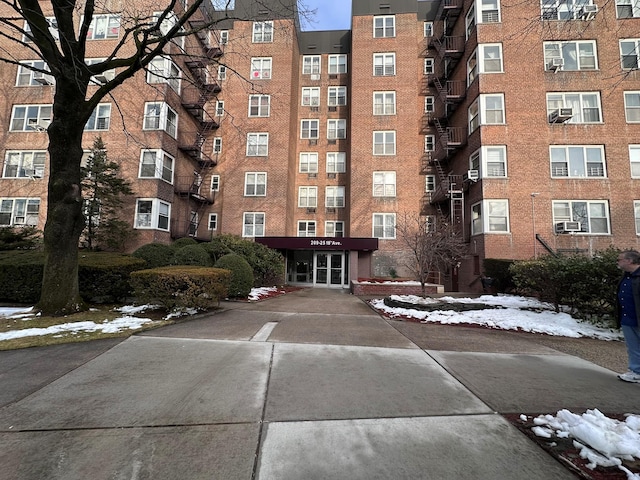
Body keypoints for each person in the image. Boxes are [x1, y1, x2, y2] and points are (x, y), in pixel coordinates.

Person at [616, 250, 640, 383]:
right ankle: (636, 371)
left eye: (620, 259)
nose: (618, 262)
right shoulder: (627, 276)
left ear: (629, 261)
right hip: (628, 318)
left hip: (637, 317)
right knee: (633, 346)